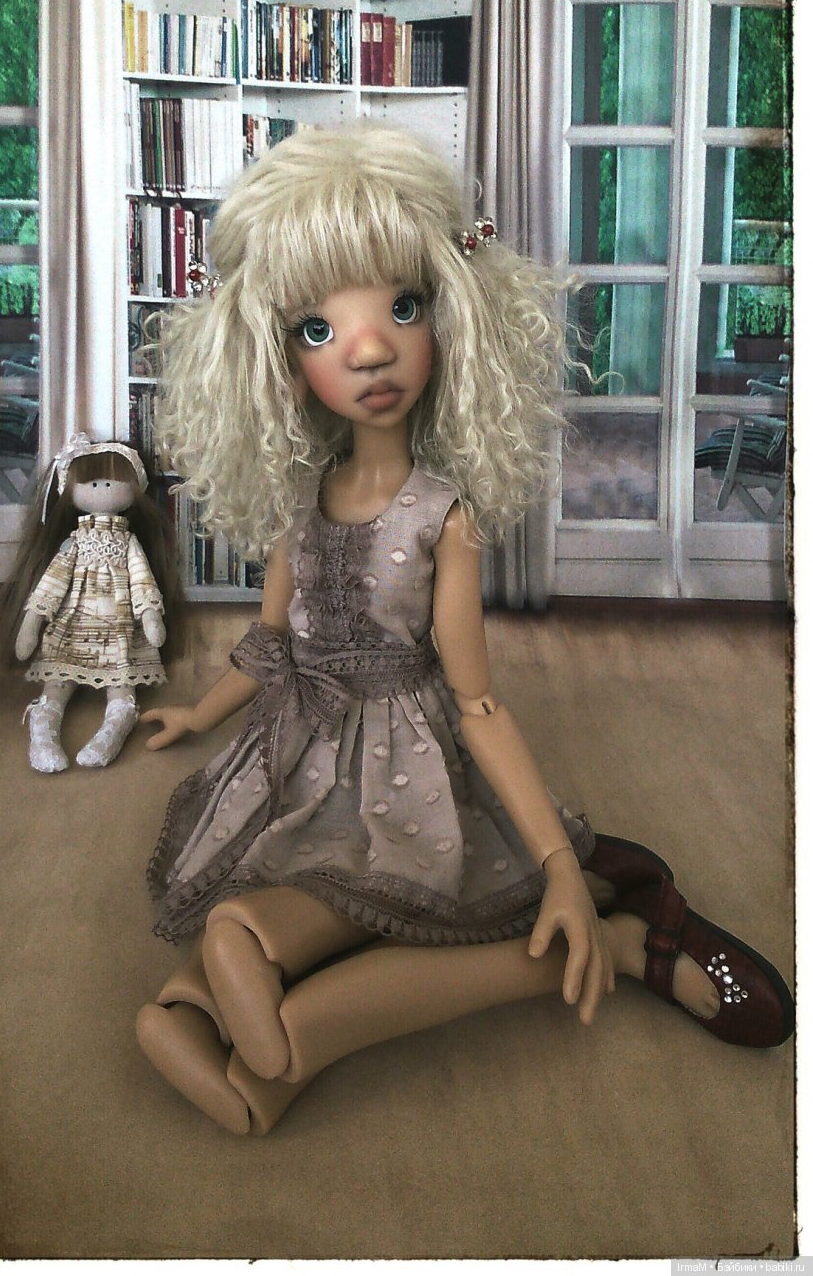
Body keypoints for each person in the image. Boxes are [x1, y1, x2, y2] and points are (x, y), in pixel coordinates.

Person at [135, 123, 793, 1135]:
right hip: (299, 749)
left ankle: (282, 1039)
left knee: (379, 890)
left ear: (451, 317)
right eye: (318, 327)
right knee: (277, 886)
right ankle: (233, 1022)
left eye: (402, 307)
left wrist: (557, 859)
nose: (369, 347)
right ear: (275, 358)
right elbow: (271, 646)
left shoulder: (441, 515)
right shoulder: (299, 503)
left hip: (403, 758)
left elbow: (476, 700)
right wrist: (198, 714)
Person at [0, 433, 181, 772]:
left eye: (112, 481)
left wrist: (150, 614)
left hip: (119, 624)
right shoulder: (74, 542)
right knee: (57, 679)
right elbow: (53, 581)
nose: (101, 488)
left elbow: (141, 579)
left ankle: (117, 721)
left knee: (121, 681)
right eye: (91, 482)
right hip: (73, 622)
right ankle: (43, 726)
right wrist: (32, 621)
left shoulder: (129, 542)